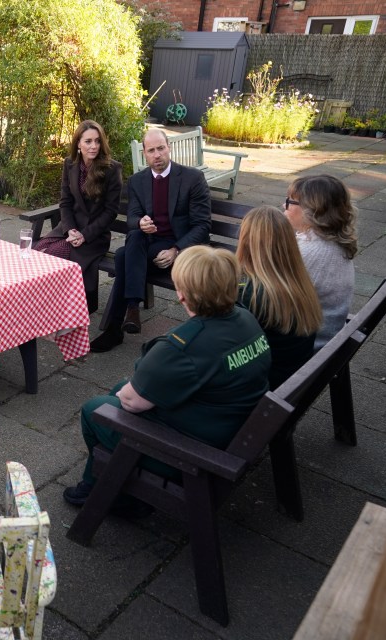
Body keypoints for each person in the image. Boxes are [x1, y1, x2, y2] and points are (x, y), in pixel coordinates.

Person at [64, 246, 270, 515]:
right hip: (231, 427)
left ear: (183, 294)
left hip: (197, 453)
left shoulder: (184, 346)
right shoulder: (244, 317)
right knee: (117, 390)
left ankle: (110, 491)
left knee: (96, 409)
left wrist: (135, 383)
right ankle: (101, 481)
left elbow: (131, 402)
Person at [89, 129, 211, 353]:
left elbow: (202, 225)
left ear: (169, 148)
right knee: (134, 235)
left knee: (125, 256)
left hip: (178, 244)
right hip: (149, 243)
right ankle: (131, 308)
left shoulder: (192, 178)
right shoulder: (138, 181)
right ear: (144, 154)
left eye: (161, 148)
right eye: (151, 150)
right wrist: (140, 222)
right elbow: (133, 217)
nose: (157, 155)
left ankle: (119, 324)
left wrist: (176, 250)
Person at [34, 120, 123, 313]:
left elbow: (110, 213)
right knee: (36, 251)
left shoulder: (111, 169)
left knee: (53, 256)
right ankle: (46, 303)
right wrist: (70, 229)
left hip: (94, 235)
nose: (94, 146)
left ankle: (58, 307)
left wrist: (84, 235)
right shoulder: (70, 164)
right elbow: (65, 202)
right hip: (70, 228)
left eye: (97, 141)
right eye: (88, 141)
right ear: (78, 144)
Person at [237, 206, 322, 389]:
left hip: (266, 386)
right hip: (290, 378)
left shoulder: (252, 294)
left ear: (246, 241)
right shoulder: (299, 281)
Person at [283, 175, 358, 350]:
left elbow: (274, 301)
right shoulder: (329, 241)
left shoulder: (313, 252)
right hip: (326, 338)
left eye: (290, 202)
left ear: (312, 210)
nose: (283, 206)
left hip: (307, 346)